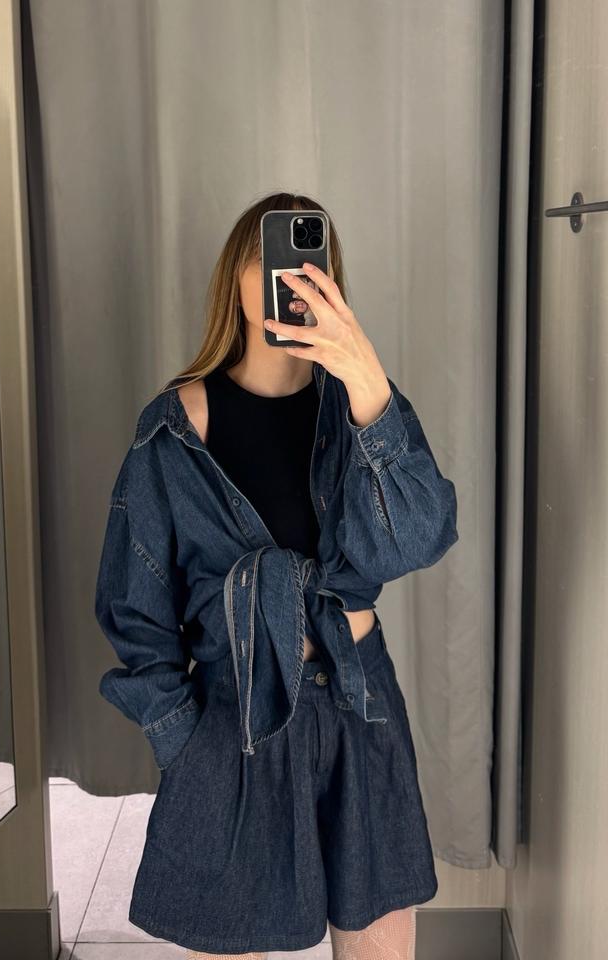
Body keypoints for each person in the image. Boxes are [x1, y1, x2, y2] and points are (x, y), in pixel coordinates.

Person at [94, 192, 459, 960]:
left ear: (329, 282)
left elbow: (423, 538)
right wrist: (184, 742)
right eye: (266, 263)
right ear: (235, 278)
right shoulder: (172, 432)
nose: (284, 282)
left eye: (303, 264)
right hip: (234, 721)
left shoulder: (361, 411)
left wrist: (366, 379)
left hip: (359, 705)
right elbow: (135, 608)